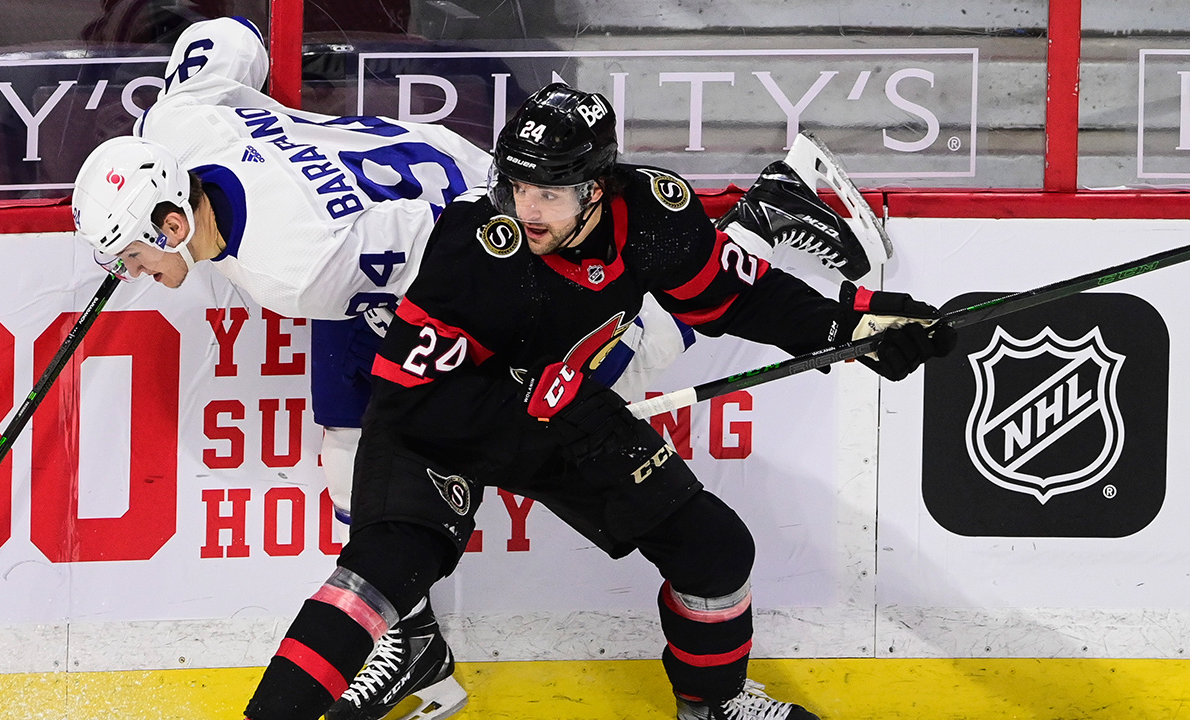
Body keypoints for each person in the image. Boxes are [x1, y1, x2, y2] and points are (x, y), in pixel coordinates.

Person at [69, 18, 724, 720]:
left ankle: (746, 237)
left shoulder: (296, 269)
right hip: (381, 219)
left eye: (132, 257)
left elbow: (444, 251)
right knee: (349, 454)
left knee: (612, 359)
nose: (132, 274)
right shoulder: (176, 124)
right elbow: (229, 37)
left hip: (465, 218)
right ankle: (415, 646)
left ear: (173, 225)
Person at [239, 83, 955, 720]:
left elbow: (736, 295)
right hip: (441, 417)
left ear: (598, 187)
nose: (527, 210)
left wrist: (849, 326)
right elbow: (411, 402)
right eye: (517, 186)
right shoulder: (470, 250)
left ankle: (713, 703)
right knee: (381, 571)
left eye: (549, 193)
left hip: (564, 414)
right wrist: (531, 404)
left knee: (714, 550)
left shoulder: (650, 216)